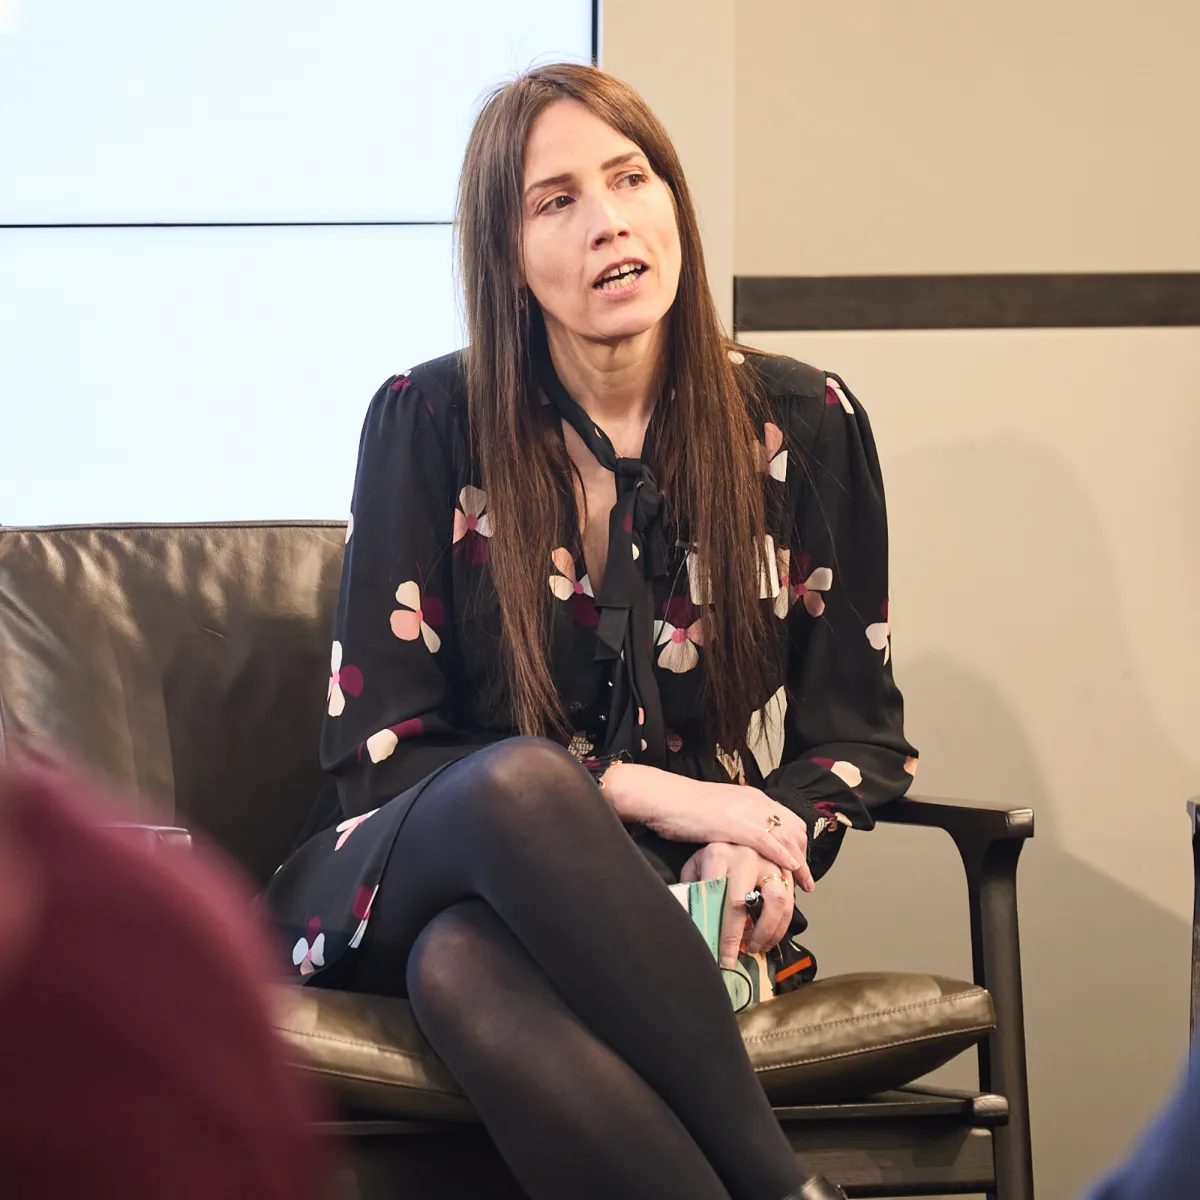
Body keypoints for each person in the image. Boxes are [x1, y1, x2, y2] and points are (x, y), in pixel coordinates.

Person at [265, 62, 917, 1200]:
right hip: (394, 876)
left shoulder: (801, 422)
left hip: (650, 908)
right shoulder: (427, 420)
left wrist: (762, 837)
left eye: (630, 178)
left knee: (464, 968)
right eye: (556, 200)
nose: (608, 220)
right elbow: (379, 753)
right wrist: (667, 795)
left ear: (674, 200)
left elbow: (858, 736)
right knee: (519, 790)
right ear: (507, 255)